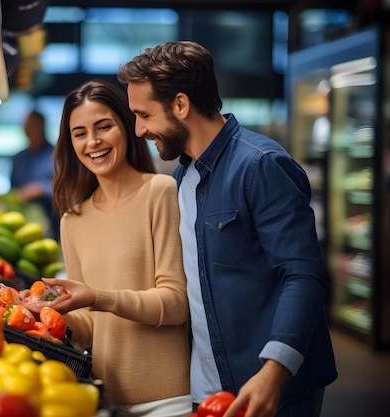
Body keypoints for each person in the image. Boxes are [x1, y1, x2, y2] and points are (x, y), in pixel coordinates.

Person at [118, 41, 337, 417]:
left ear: (181, 105)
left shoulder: (262, 165)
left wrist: (274, 370)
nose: (138, 130)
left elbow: (303, 275)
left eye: (144, 115)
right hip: (206, 389)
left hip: (272, 388)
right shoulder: (184, 176)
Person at [41, 79, 191, 417]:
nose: (93, 141)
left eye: (103, 127)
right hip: (104, 399)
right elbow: (91, 326)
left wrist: (96, 296)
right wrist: (50, 314)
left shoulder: (159, 193)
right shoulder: (73, 220)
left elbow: (175, 303)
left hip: (168, 399)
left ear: (126, 126)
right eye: (79, 133)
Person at [10, 111, 59, 240]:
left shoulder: (58, 155)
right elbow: (13, 190)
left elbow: (69, 188)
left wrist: (41, 188)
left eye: (32, 126)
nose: (28, 130)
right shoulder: (18, 159)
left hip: (54, 221)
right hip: (24, 222)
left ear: (42, 126)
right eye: (26, 127)